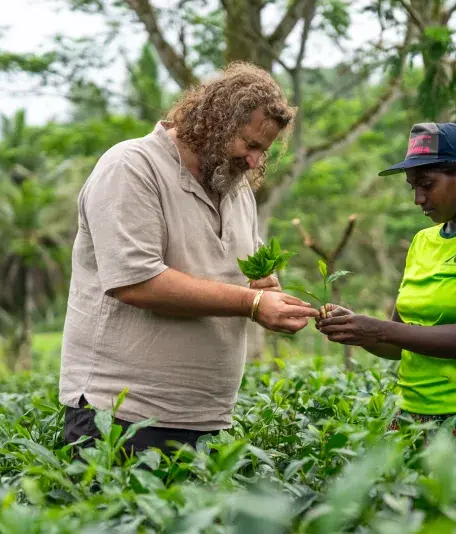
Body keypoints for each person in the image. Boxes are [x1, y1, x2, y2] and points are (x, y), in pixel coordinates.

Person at [59, 62, 319, 455]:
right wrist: (251, 303)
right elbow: (136, 282)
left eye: (262, 151)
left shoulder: (234, 188)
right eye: (250, 145)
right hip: (121, 415)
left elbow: (232, 282)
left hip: (206, 418)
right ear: (213, 121)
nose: (253, 162)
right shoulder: (132, 166)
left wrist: (264, 291)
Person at [316, 122, 456, 438]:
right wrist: (354, 329)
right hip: (413, 415)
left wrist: (377, 328)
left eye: (427, 184)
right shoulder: (423, 241)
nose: (418, 198)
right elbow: (398, 343)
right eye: (413, 187)